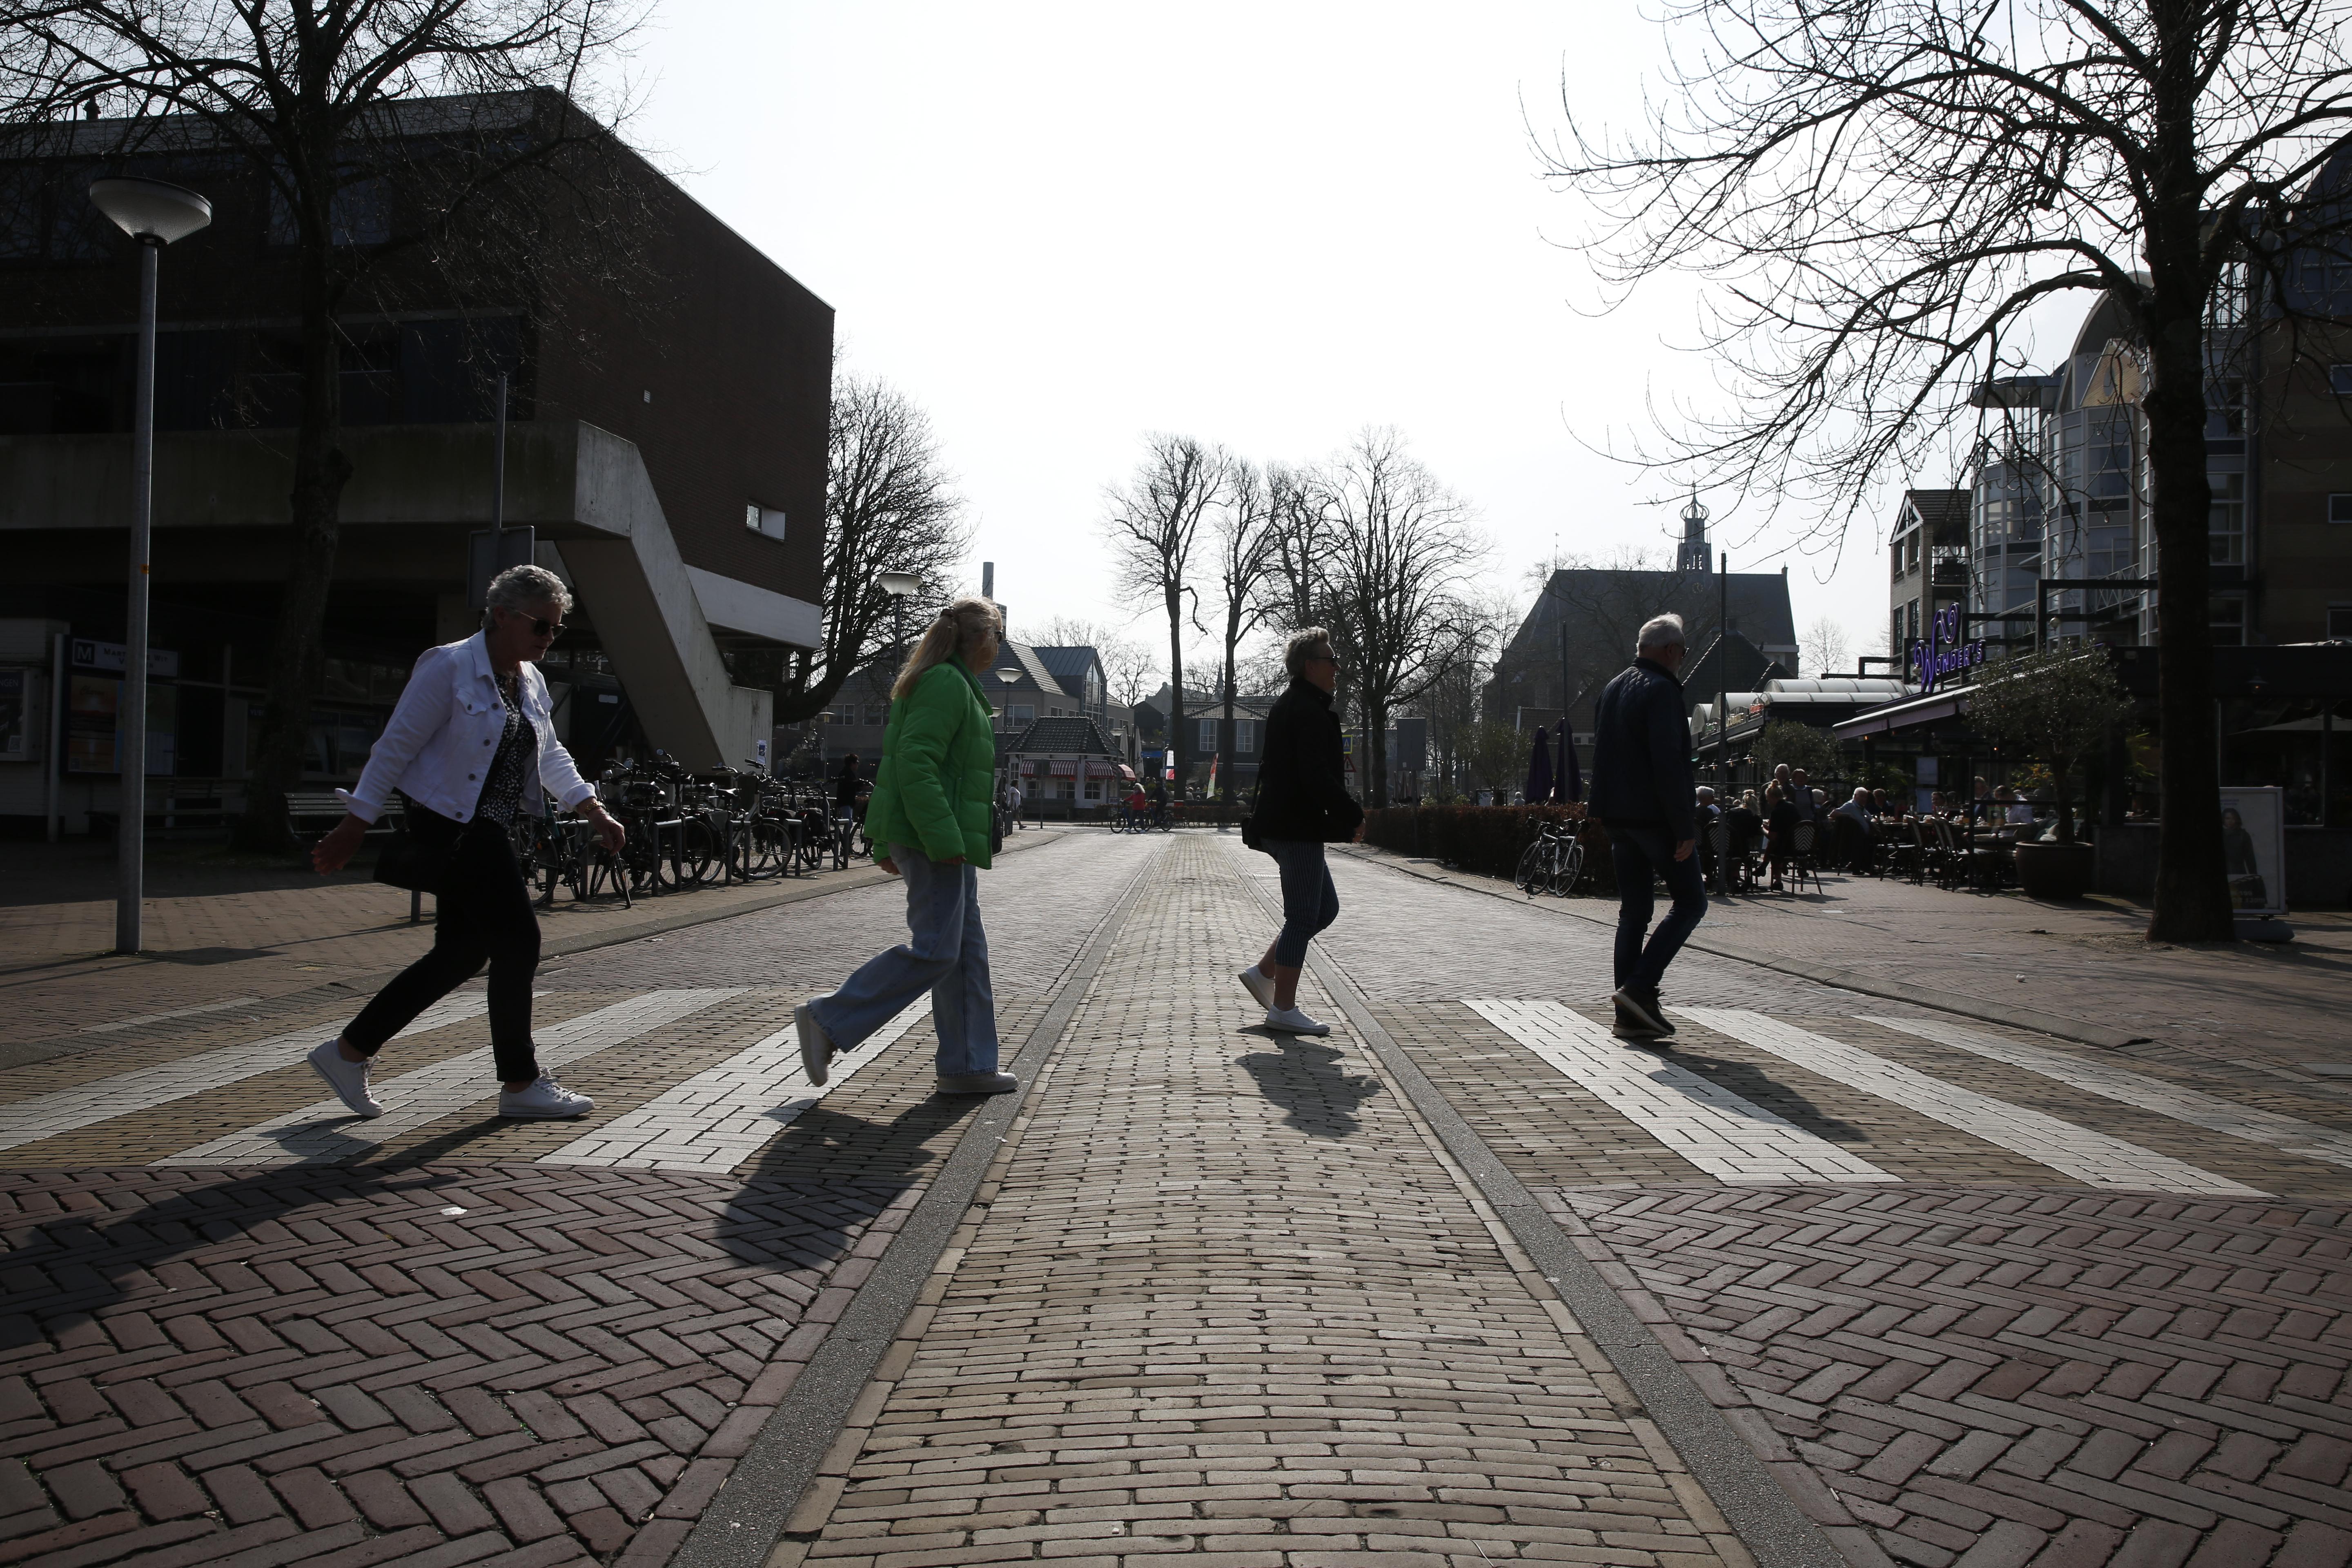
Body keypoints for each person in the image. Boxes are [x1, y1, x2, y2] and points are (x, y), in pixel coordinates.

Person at [306, 565, 626, 1120]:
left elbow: (550, 755)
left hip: (486, 828)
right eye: (540, 626)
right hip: (451, 826)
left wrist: (593, 809)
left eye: (555, 630)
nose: (547, 640)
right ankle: (521, 1083)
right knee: (519, 940)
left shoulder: (528, 681)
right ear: (501, 615)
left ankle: (348, 1052)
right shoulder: (449, 666)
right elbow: (394, 748)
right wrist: (355, 823)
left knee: (461, 952)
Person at [795, 597, 1014, 1097]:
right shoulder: (946, 684)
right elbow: (916, 762)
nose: (998, 647)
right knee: (939, 951)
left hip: (936, 835)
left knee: (965, 955)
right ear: (980, 638)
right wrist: (938, 838)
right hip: (936, 837)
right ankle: (827, 1018)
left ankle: (968, 1066)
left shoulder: (951, 682)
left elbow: (905, 764)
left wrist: (896, 836)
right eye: (997, 637)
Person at [1238, 628, 1362, 1036]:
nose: (1337, 668)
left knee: (1323, 911)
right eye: (1331, 660)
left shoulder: (1299, 705)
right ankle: (1284, 1009)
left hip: (1289, 822)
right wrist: (1353, 814)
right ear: (1311, 665)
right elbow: (1316, 775)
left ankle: (1263, 974)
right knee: (1302, 916)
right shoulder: (1307, 710)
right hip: (1294, 825)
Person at [1587, 614, 1705, 1038]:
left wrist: (1600, 811)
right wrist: (1684, 825)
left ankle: (1628, 1015)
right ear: (1672, 650)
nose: (1682, 661)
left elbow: (1603, 756)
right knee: (1691, 903)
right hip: (1654, 818)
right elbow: (1669, 764)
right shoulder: (1664, 691)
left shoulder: (1614, 687)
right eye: (1683, 653)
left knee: (1633, 912)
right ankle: (1640, 988)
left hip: (1616, 818)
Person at [1763, 780, 1801, 891]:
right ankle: (1767, 868)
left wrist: (1762, 829)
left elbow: (1772, 836)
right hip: (1798, 846)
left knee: (1773, 844)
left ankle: (1777, 879)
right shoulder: (1792, 807)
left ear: (1772, 797)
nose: (1768, 801)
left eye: (1768, 798)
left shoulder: (1776, 811)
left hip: (1785, 849)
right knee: (1775, 843)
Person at [1831, 786, 1874, 873]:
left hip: (1863, 835)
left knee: (1873, 840)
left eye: (1865, 797)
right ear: (1855, 796)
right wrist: (1847, 815)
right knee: (1872, 843)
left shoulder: (1861, 807)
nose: (1864, 799)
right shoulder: (1850, 805)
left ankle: (1865, 866)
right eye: (1861, 796)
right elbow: (1834, 814)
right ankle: (1864, 867)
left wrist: (1875, 821)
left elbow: (1871, 818)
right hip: (1854, 838)